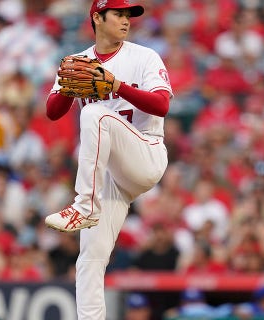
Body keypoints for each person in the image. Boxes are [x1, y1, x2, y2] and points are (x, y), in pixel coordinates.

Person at [42, 0, 172, 318]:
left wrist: (117, 86)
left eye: (129, 15)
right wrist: (69, 89)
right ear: (97, 18)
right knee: (90, 259)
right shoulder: (79, 62)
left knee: (96, 112)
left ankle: (84, 206)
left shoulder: (144, 56)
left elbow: (161, 105)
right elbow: (52, 112)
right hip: (111, 176)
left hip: (145, 153)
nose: (126, 20)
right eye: (119, 14)